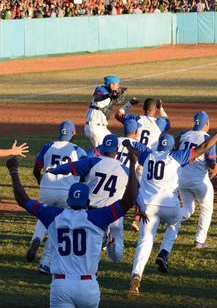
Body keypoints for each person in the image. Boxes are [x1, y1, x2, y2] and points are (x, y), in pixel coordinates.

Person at [4, 145, 138, 308]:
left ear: (68, 201)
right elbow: (129, 200)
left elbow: (23, 200)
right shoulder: (99, 217)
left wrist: (14, 171)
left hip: (61, 286)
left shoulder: (53, 215)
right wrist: (132, 164)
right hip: (88, 286)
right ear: (87, 201)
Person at [127, 124, 217, 296]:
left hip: (147, 206)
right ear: (171, 147)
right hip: (169, 206)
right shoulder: (177, 156)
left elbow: (133, 148)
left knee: (145, 240)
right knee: (175, 222)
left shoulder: (147, 155)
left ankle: (136, 275)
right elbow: (204, 147)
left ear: (159, 145)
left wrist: (129, 146)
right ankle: (164, 252)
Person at [49, 134, 130, 263]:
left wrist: (55, 170)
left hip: (93, 212)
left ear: (102, 148)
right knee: (117, 257)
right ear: (117, 150)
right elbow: (136, 190)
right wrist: (140, 209)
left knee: (89, 245)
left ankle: (103, 241)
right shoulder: (125, 169)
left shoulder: (92, 162)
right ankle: (110, 241)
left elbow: (70, 167)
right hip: (114, 213)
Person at [27, 121, 87, 274]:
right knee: (59, 226)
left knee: (42, 218)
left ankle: (37, 239)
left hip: (47, 188)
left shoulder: (47, 146)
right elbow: (86, 172)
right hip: (66, 192)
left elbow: (36, 168)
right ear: (73, 133)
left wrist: (40, 181)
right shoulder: (77, 150)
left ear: (59, 132)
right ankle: (45, 262)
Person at [174, 111, 217, 249]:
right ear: (207, 123)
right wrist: (215, 167)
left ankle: (170, 219)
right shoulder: (207, 137)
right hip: (199, 180)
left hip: (181, 179)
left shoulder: (182, 135)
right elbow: (211, 161)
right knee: (206, 208)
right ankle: (199, 241)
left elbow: (176, 152)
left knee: (188, 208)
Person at [115, 119, 143, 231]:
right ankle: (137, 219)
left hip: (111, 177)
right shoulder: (139, 146)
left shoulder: (114, 140)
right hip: (126, 182)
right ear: (136, 132)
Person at [85, 75, 127, 147]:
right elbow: (97, 98)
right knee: (103, 151)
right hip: (94, 127)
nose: (118, 86)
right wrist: (109, 95)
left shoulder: (111, 93)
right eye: (117, 84)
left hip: (102, 128)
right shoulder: (100, 89)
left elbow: (115, 100)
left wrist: (119, 95)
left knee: (115, 144)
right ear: (111, 85)